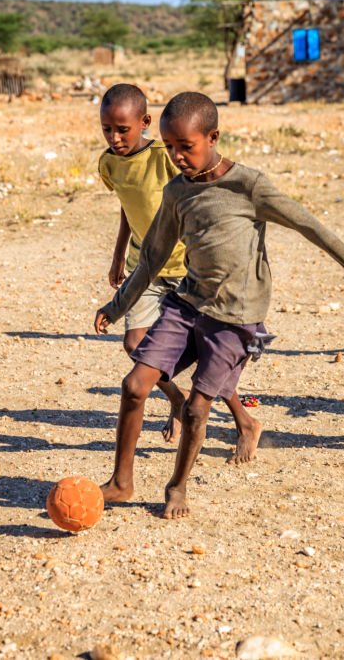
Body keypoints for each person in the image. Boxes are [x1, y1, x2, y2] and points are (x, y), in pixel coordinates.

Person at [94, 92, 344, 518]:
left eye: (186, 147)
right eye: (170, 147)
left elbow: (311, 226)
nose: (177, 157)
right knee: (134, 385)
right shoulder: (177, 192)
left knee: (198, 408)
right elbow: (153, 257)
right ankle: (121, 482)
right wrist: (118, 304)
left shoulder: (247, 186)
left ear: (213, 137)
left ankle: (177, 486)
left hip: (234, 318)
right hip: (187, 304)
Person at [98, 83, 259, 448]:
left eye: (122, 129)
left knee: (208, 351)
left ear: (145, 123)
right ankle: (176, 399)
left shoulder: (165, 156)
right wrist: (118, 255)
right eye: (107, 128)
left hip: (187, 267)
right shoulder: (107, 163)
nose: (115, 137)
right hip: (147, 267)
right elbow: (127, 206)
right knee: (136, 342)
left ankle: (243, 420)